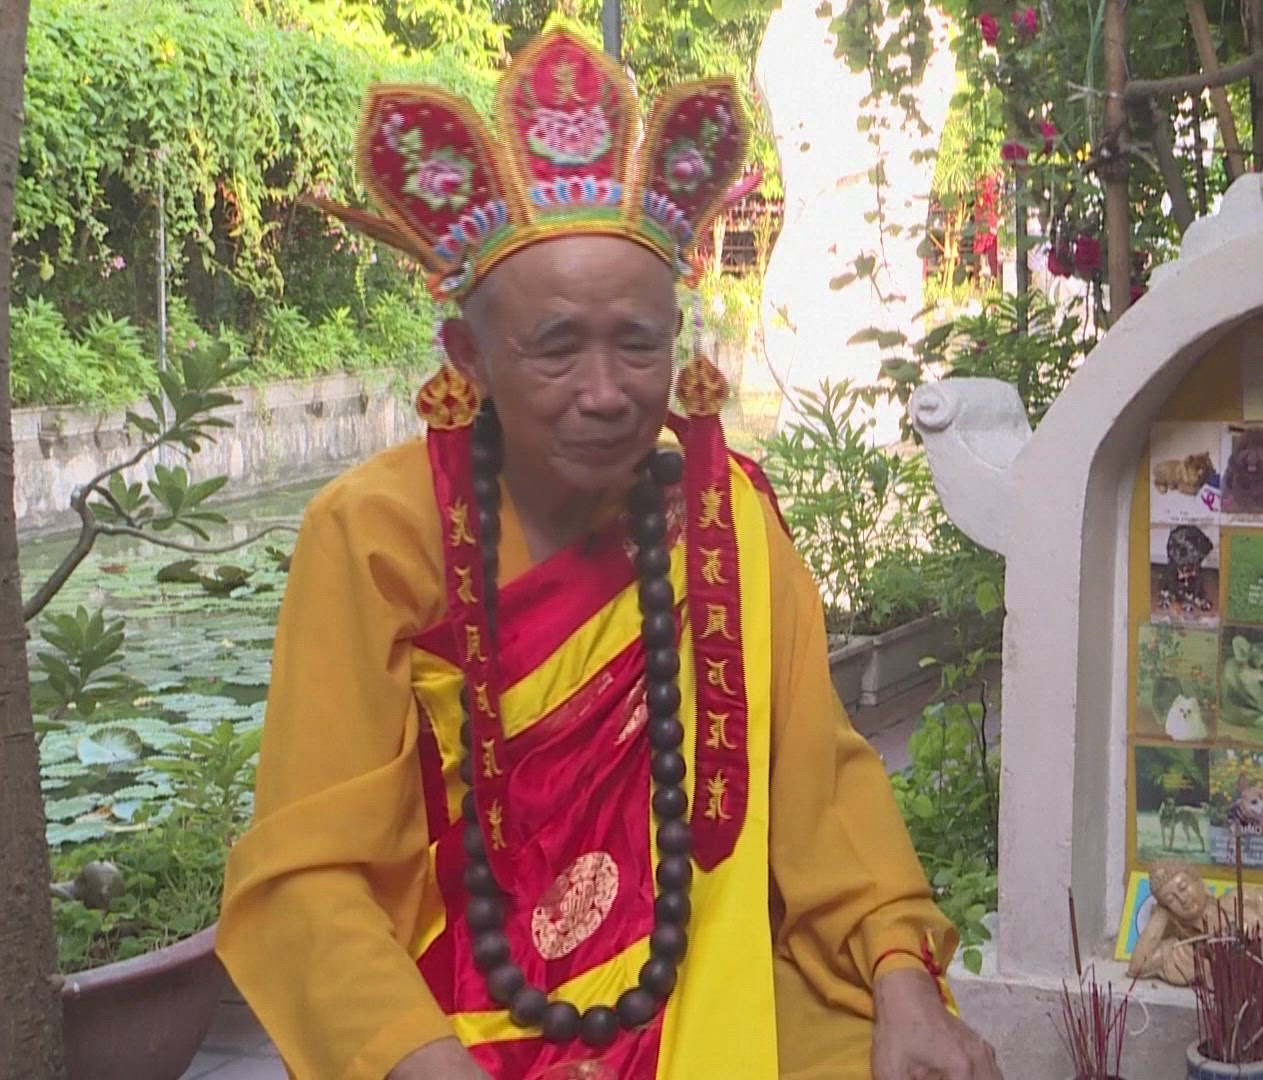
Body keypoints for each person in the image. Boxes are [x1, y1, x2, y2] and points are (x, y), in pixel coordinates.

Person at [216, 30, 1001, 1080]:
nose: (606, 392)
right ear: (468, 358)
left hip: (702, 977)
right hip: (455, 1014)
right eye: (556, 348)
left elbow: (822, 780)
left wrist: (902, 976)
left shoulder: (721, 519)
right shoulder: (378, 535)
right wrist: (417, 1059)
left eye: (638, 343)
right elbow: (311, 872)